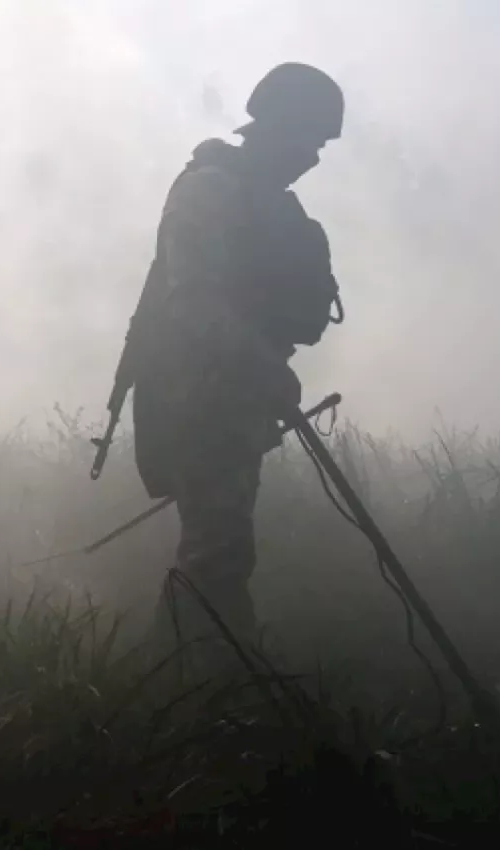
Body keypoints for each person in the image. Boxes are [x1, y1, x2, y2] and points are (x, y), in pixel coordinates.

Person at [125, 62, 345, 669]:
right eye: (310, 138)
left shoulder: (264, 201)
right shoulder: (210, 190)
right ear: (274, 125)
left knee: (221, 551)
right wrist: (263, 370)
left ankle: (206, 678)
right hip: (198, 401)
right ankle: (185, 688)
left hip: (232, 401)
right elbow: (193, 301)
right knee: (216, 555)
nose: (315, 157)